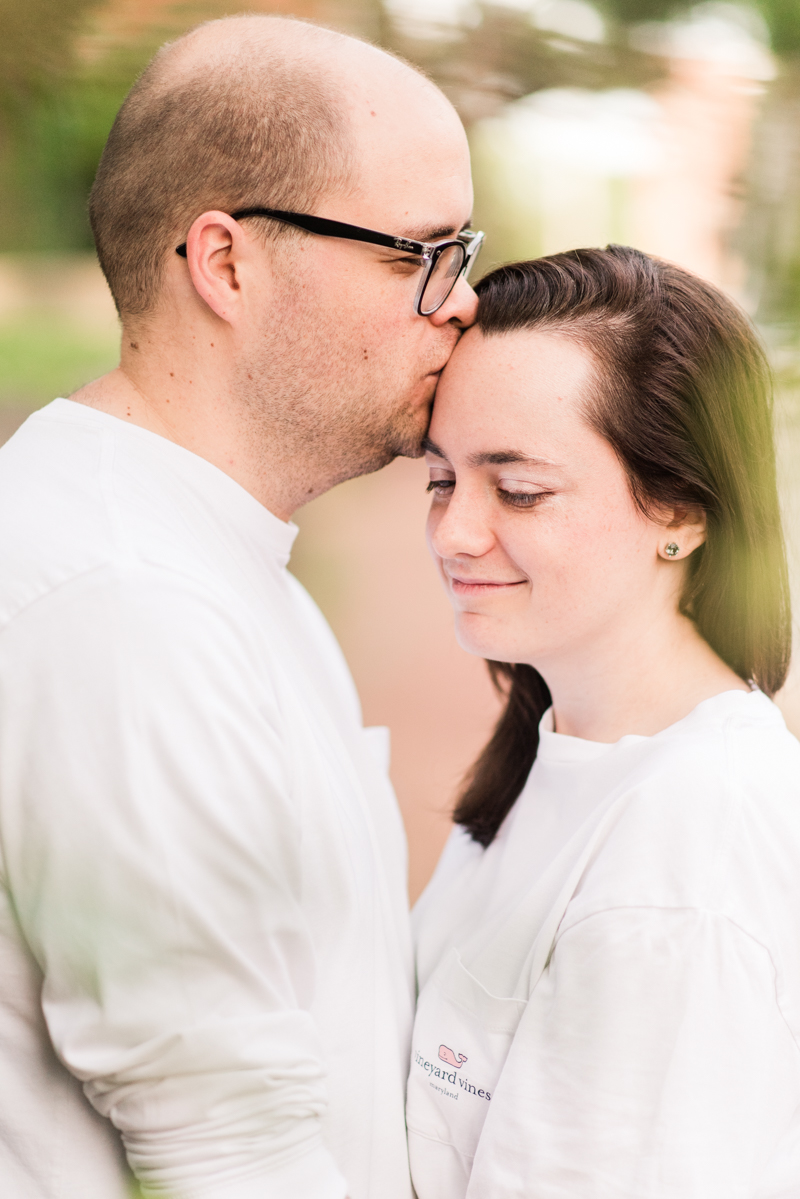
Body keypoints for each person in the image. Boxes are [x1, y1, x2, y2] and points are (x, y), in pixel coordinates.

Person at [0, 15, 479, 1199]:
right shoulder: (123, 606)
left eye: (462, 253)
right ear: (224, 263)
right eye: (416, 253)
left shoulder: (207, 559)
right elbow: (225, 1149)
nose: (459, 303)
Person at [407, 246, 800, 1198]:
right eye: (441, 478)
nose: (457, 530)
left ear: (680, 506)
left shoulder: (692, 841)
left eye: (520, 488)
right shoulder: (555, 747)